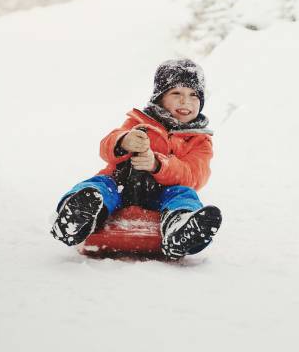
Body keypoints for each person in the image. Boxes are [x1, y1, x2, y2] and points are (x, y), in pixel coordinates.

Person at [51, 58, 221, 259]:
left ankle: (180, 227)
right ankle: (78, 216)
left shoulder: (200, 140)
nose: (186, 101)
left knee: (184, 195)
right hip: (122, 183)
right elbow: (106, 146)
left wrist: (159, 165)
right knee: (101, 185)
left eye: (194, 95)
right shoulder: (138, 121)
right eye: (176, 93)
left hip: (164, 195)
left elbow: (194, 175)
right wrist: (123, 141)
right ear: (160, 97)